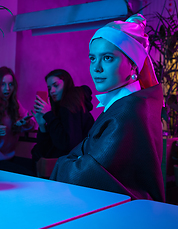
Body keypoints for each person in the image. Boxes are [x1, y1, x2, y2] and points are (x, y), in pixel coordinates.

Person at [50, 14, 165, 202]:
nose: (97, 68)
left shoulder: (128, 112)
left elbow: (83, 175)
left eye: (108, 58)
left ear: (132, 65)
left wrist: (63, 162)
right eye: (92, 58)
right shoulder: (133, 102)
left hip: (127, 218)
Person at [31, 69, 95, 161]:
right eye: (49, 88)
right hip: (62, 163)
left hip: (75, 164)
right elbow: (46, 148)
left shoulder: (70, 103)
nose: (52, 91)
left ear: (66, 83)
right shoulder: (59, 108)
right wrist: (42, 126)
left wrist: (49, 115)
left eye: (56, 85)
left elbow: (68, 144)